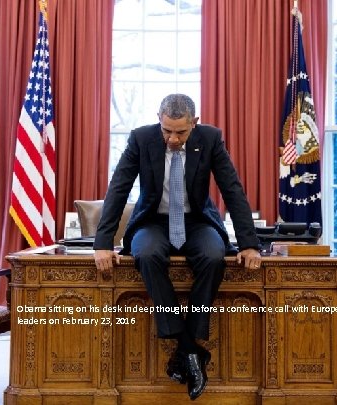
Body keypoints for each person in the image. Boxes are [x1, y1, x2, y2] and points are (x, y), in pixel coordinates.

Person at [93, 93, 262, 400]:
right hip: (152, 222)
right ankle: (192, 351)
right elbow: (118, 187)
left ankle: (185, 349)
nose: (172, 138)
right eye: (166, 130)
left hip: (197, 221)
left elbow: (232, 189)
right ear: (159, 118)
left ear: (194, 124)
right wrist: (103, 243)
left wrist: (249, 244)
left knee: (214, 257)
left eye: (180, 132)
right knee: (145, 254)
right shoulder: (141, 138)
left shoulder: (210, 139)